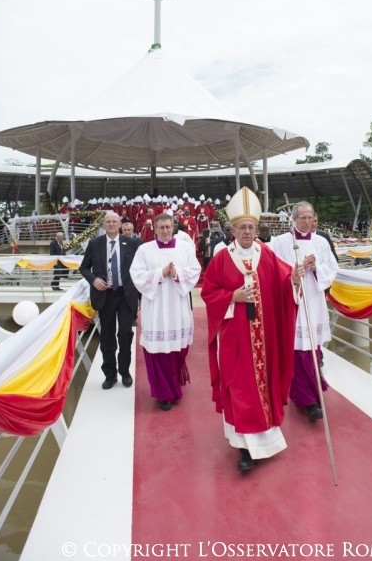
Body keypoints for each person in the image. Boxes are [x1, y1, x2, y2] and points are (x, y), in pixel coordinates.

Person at [201, 187, 302, 473]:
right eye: (242, 227)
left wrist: (294, 279)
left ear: (257, 229)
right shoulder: (222, 258)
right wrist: (232, 296)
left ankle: (265, 439)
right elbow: (209, 292)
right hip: (235, 338)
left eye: (251, 227)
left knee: (263, 384)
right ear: (232, 230)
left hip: (264, 335)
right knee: (239, 387)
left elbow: (284, 282)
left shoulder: (265, 253)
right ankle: (244, 447)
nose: (247, 231)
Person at [270, 201, 338, 422]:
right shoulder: (281, 242)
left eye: (310, 217)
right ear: (294, 219)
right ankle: (306, 399)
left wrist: (315, 268)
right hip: (293, 301)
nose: (307, 222)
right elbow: (272, 270)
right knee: (298, 349)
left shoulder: (321, 242)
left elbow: (332, 268)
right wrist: (294, 274)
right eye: (303, 218)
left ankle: (312, 395)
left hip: (314, 302)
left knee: (313, 348)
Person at [131, 213, 201, 411]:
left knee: (179, 349)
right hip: (156, 309)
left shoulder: (185, 247)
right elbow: (136, 275)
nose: (164, 231)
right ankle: (163, 394)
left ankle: (175, 383)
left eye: (168, 227)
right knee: (158, 351)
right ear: (155, 229)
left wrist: (176, 272)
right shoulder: (144, 250)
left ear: (173, 227)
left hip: (178, 306)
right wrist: (160, 273)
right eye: (161, 227)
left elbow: (195, 271)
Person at [80, 211, 140, 390]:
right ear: (103, 225)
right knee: (107, 336)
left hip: (125, 295)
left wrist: (141, 296)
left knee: (125, 334)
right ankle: (110, 374)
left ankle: (125, 372)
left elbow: (139, 268)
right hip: (104, 295)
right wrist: (94, 280)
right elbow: (84, 268)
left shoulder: (132, 243)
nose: (112, 224)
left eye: (115, 221)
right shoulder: (95, 244)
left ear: (120, 224)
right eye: (108, 222)